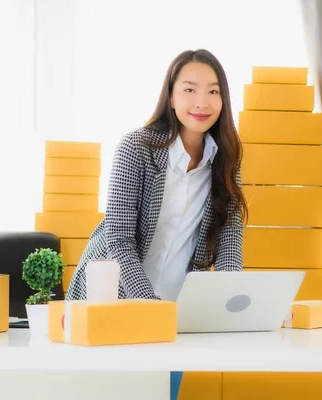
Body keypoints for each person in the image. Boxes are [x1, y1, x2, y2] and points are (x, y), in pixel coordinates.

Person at [65, 49, 248, 399]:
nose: (202, 101)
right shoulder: (136, 148)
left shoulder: (226, 159)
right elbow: (118, 240)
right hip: (113, 302)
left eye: (213, 91)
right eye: (190, 89)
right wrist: (150, 308)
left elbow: (229, 244)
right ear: (171, 94)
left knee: (162, 393)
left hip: (175, 314)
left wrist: (230, 303)